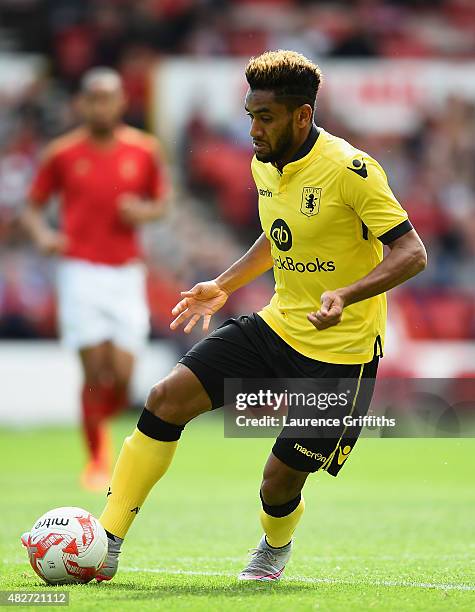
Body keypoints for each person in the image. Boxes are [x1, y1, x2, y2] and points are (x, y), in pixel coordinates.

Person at [95, 50, 427, 581]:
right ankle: (104, 542)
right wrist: (222, 284)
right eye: (250, 114)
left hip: (341, 354)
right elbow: (278, 238)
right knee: (165, 399)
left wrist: (347, 293)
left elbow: (413, 253)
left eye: (264, 117)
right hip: (277, 325)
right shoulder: (263, 162)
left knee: (277, 483)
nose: (252, 129)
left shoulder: (351, 170)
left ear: (302, 115)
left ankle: (274, 546)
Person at [22, 68, 169, 491]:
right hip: (80, 270)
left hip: (125, 271)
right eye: (93, 98)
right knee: (93, 370)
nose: (101, 106)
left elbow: (162, 202)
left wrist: (144, 213)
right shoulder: (63, 153)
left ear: (122, 102)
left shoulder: (143, 150)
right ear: (81, 104)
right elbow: (32, 207)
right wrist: (44, 235)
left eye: (109, 98)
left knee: (122, 374)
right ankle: (97, 459)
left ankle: (102, 431)